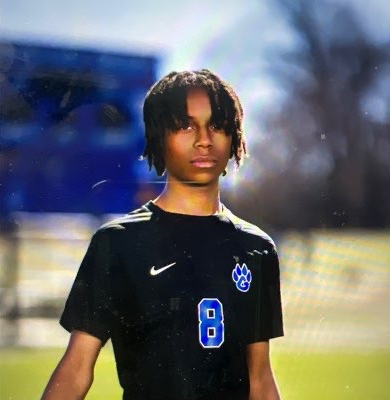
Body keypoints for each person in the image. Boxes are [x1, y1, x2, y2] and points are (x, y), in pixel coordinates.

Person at [42, 69, 284, 400]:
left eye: (216, 125)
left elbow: (260, 378)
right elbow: (76, 368)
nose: (204, 139)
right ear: (159, 137)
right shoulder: (118, 242)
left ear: (234, 136)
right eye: (186, 126)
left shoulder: (256, 248)